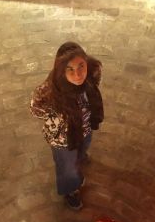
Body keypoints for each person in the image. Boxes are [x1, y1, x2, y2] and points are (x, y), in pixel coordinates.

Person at [30, 41, 104, 210]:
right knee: (67, 168)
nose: (77, 75)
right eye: (69, 69)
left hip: (85, 128)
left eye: (80, 66)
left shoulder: (92, 72)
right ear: (60, 70)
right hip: (63, 139)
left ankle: (79, 156)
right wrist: (56, 114)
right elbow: (36, 109)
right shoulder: (49, 91)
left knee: (83, 147)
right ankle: (70, 190)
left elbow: (94, 87)